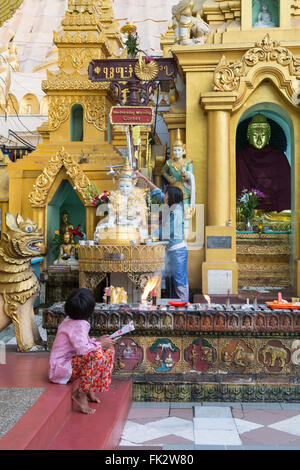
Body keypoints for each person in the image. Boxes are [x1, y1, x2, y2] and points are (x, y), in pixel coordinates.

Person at [48, 288, 115, 415]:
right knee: (98, 355)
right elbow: (83, 350)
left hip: (68, 363)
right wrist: (100, 343)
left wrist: (98, 340)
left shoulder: (72, 320)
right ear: (90, 310)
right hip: (61, 369)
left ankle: (89, 387)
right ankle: (80, 393)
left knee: (108, 349)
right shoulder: (78, 325)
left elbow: (82, 343)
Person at [136, 170, 189, 301]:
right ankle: (174, 308)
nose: (164, 197)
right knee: (171, 283)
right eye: (165, 195)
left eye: (166, 195)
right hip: (169, 251)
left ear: (172, 198)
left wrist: (146, 229)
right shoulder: (169, 204)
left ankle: (184, 306)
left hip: (177, 252)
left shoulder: (176, 212)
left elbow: (166, 232)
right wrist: (144, 179)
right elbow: (157, 193)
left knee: (179, 280)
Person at [236, 114, 291, 213]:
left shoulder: (279, 156)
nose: (259, 140)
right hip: (248, 211)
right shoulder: (240, 156)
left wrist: (280, 208)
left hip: (275, 212)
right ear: (248, 135)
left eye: (263, 135)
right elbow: (238, 190)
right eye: (255, 135)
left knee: (287, 214)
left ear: (269, 135)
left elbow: (286, 190)